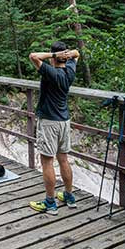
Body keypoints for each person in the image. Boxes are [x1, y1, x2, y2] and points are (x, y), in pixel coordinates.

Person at [28, 41, 80, 215]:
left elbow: (33, 56)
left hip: (49, 122)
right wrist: (68, 54)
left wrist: (54, 56)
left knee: (47, 161)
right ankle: (69, 196)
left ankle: (50, 202)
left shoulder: (51, 72)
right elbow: (77, 53)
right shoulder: (70, 70)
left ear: (55, 56)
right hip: (64, 120)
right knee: (63, 159)